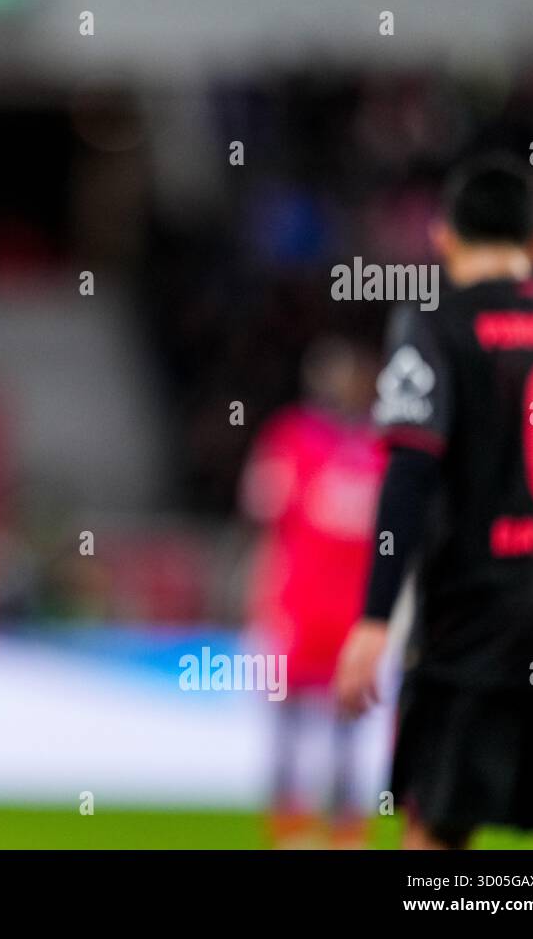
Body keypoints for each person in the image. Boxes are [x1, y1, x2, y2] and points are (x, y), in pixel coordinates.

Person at [335, 155, 533, 850]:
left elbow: (409, 471)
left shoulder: (435, 326)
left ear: (442, 237)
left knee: (440, 835)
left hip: (473, 623)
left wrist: (376, 617)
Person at [239, 337, 385, 847]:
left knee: (347, 718)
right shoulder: (292, 437)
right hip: (299, 603)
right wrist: (262, 599)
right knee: (289, 716)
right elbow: (268, 521)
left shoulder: (382, 448)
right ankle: (290, 824)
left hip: (353, 612)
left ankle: (344, 822)